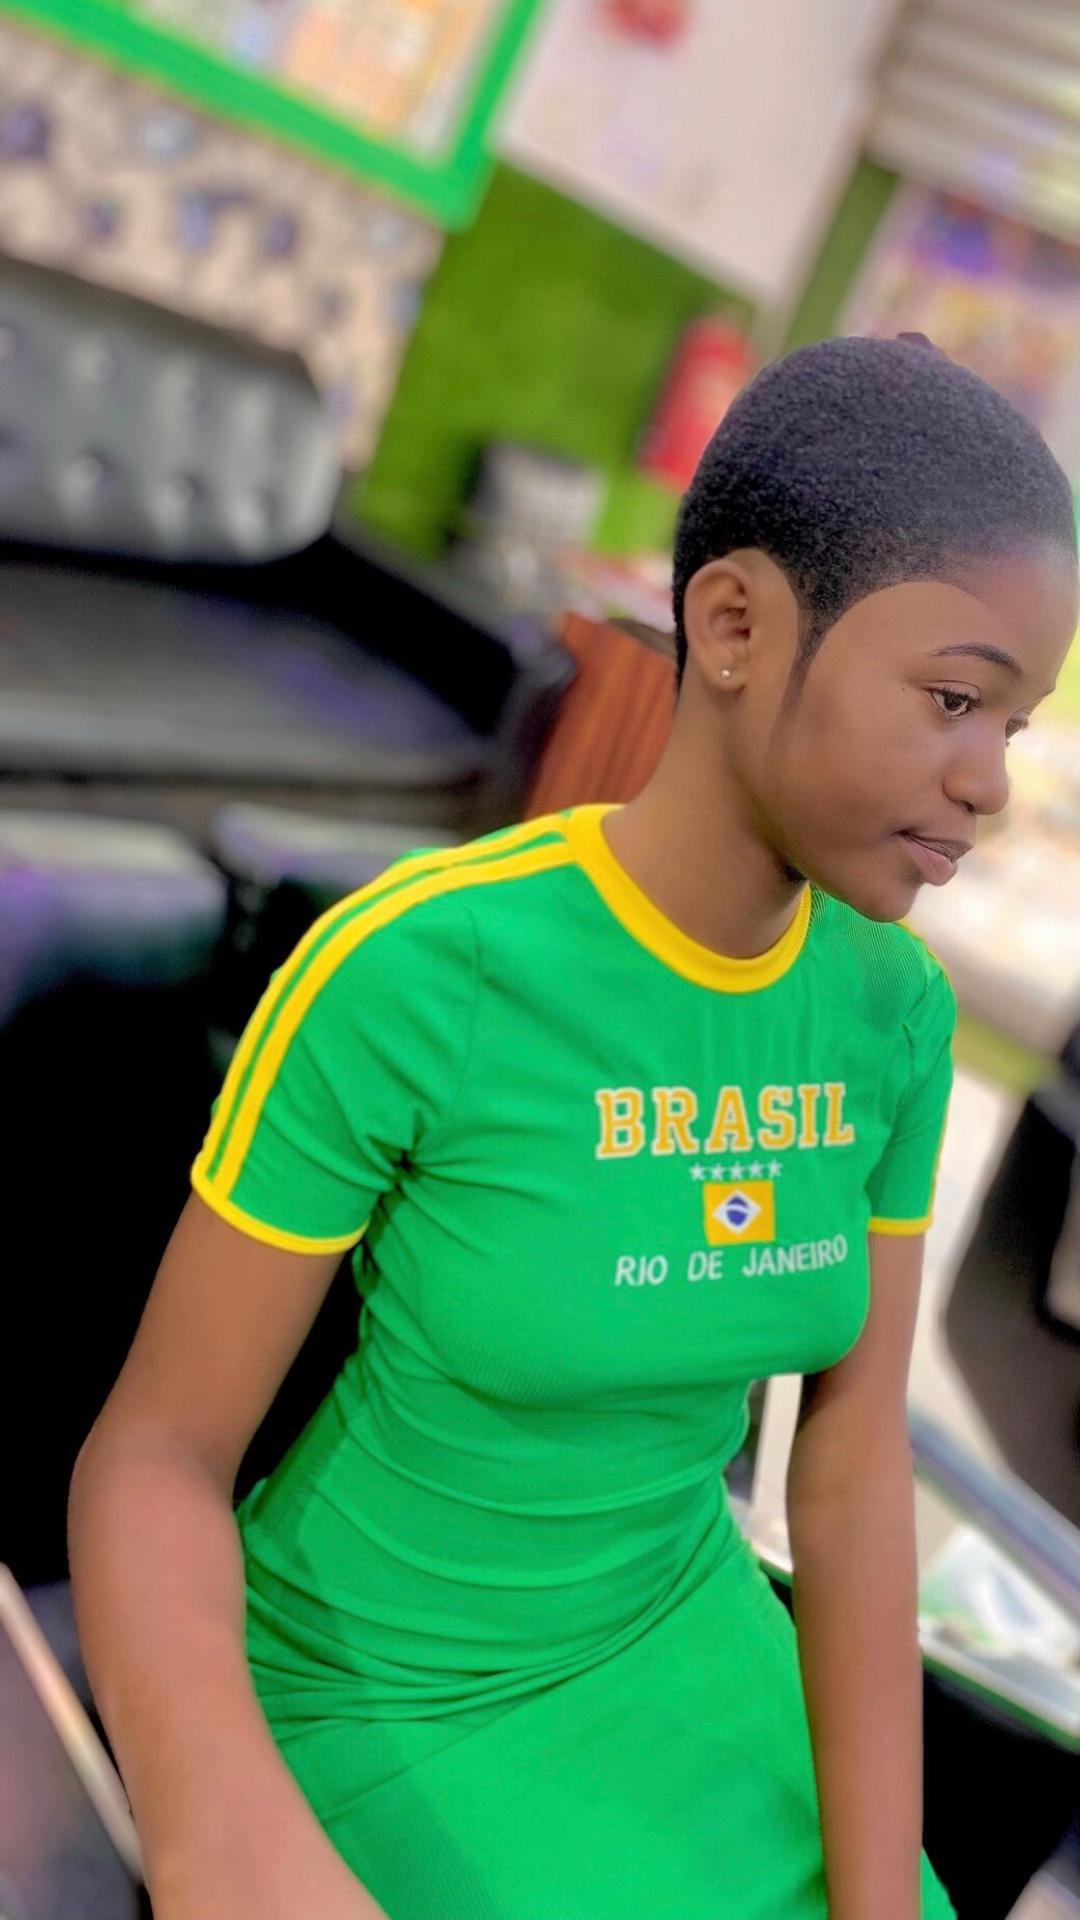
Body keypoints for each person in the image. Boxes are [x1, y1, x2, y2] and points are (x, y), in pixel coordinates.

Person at [68, 335, 1079, 1920]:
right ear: (735, 625)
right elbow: (152, 1459)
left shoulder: (891, 1015)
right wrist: (220, 1837)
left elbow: (847, 1472)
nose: (988, 784)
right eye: (955, 699)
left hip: (682, 1634)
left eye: (1009, 727)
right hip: (388, 1686)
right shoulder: (425, 971)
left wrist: (885, 1890)